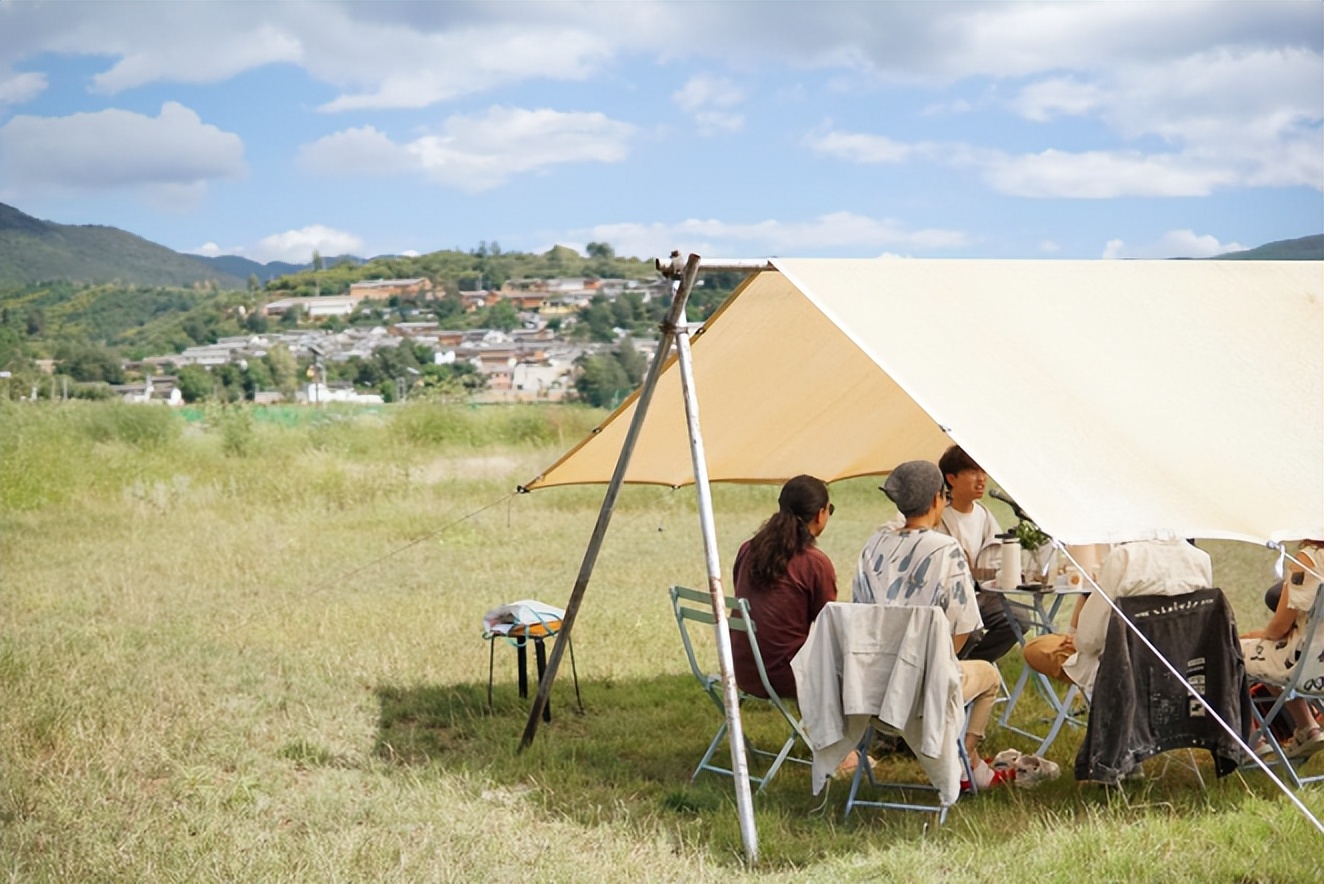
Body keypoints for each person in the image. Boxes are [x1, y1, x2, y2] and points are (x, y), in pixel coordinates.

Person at [854, 460, 1037, 790]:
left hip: (870, 684)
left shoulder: (873, 546)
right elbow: (964, 627)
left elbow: (860, 611)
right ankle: (962, 761)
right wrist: (934, 667)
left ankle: (957, 759)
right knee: (989, 675)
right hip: (920, 687)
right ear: (940, 497)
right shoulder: (944, 549)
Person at [1022, 539, 1213, 697]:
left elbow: (1088, 641)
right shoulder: (1201, 560)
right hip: (1179, 668)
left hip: (1121, 670)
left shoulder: (1124, 558)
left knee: (1035, 648)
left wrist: (1077, 639)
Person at [730, 474, 837, 700]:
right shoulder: (815, 563)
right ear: (820, 514)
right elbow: (829, 623)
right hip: (785, 675)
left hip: (741, 669)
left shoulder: (747, 549)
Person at [1240, 540, 1324, 759]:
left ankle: (1250, 742)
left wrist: (1259, 635)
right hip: (1314, 663)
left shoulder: (1310, 559)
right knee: (1269, 654)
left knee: (1233, 649)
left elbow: (1278, 628)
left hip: (1307, 665)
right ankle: (1307, 728)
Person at [936, 445, 1018, 663]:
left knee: (1018, 620)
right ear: (951, 478)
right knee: (966, 627)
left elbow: (998, 562)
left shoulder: (985, 516)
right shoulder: (938, 516)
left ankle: (972, 664)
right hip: (949, 600)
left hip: (982, 595)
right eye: (973, 472)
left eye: (984, 472)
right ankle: (954, 667)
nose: (982, 479)